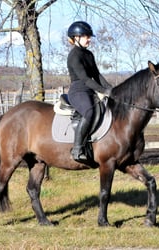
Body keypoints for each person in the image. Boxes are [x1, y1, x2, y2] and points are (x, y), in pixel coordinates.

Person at [67, 21, 112, 163]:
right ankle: (77, 149)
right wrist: (103, 90)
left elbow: (97, 75)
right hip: (78, 91)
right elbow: (86, 79)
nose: (89, 39)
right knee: (89, 111)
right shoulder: (74, 56)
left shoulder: (89, 54)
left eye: (89, 36)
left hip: (89, 90)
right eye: (86, 36)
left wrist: (111, 89)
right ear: (76, 37)